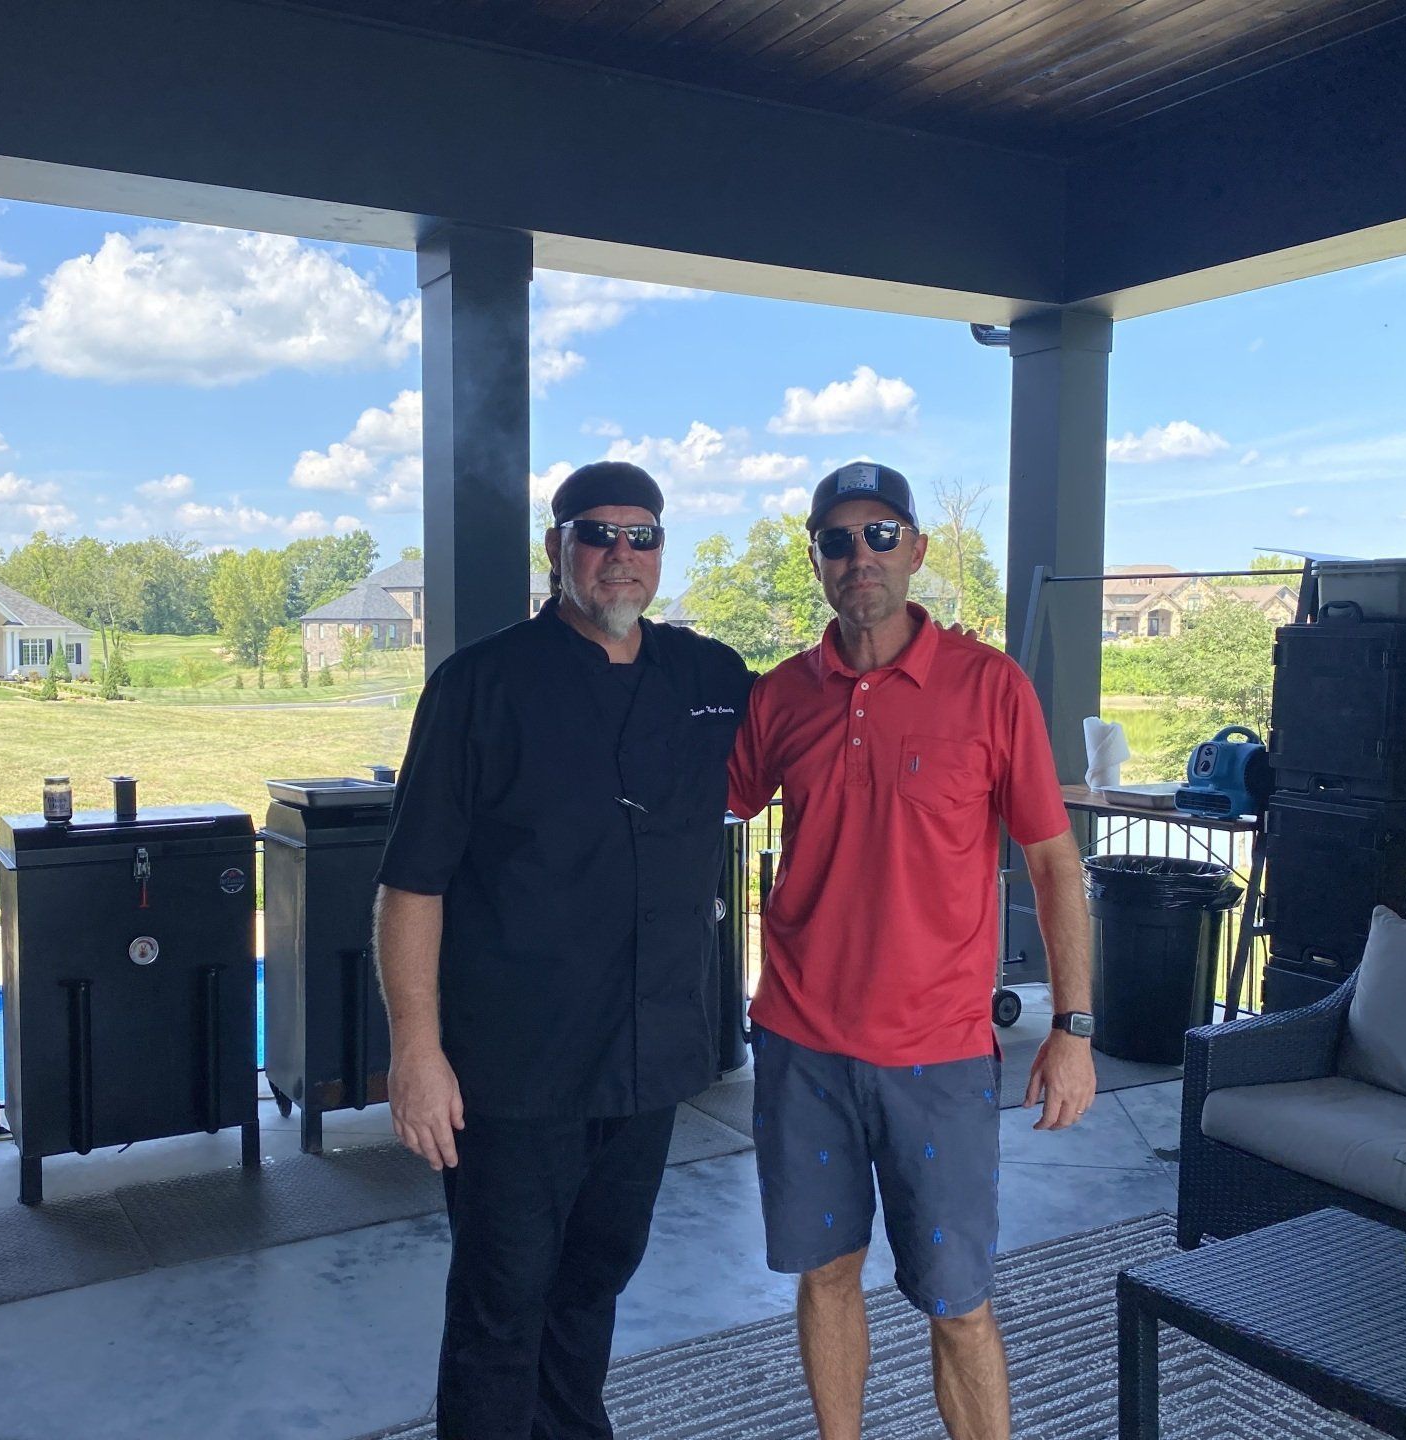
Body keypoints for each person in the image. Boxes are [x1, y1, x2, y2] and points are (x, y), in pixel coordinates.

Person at [372, 460, 753, 1440]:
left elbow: (831, 736)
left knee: (592, 1288)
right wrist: (417, 1051)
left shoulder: (707, 679)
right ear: (557, 549)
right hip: (514, 1072)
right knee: (503, 1303)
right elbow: (412, 884)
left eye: (643, 536)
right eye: (597, 533)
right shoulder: (480, 687)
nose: (620, 556)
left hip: (649, 1060)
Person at [727, 462, 1098, 1440]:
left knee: (958, 1302)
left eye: (881, 535)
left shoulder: (989, 688)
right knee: (826, 1273)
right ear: (816, 560)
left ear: (918, 550)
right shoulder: (781, 700)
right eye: (839, 540)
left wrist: (1072, 1027)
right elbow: (698, 804)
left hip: (935, 1055)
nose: (862, 558)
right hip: (801, 1046)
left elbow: (1056, 865)